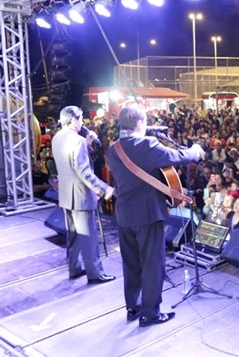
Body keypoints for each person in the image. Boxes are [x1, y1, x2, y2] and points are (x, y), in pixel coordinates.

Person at [107, 104, 205, 327]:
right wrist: (195, 151)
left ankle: (133, 307)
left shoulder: (114, 148)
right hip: (148, 215)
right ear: (140, 124)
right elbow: (177, 156)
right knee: (152, 264)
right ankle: (150, 314)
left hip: (124, 215)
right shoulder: (146, 145)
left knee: (131, 263)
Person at [52, 106, 115, 283]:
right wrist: (103, 189)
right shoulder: (77, 141)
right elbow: (84, 172)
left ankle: (74, 268)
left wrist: (86, 142)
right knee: (89, 238)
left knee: (72, 236)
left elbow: (70, 164)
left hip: (66, 196)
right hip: (80, 196)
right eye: (80, 119)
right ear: (73, 120)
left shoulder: (57, 138)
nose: (82, 122)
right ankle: (95, 273)